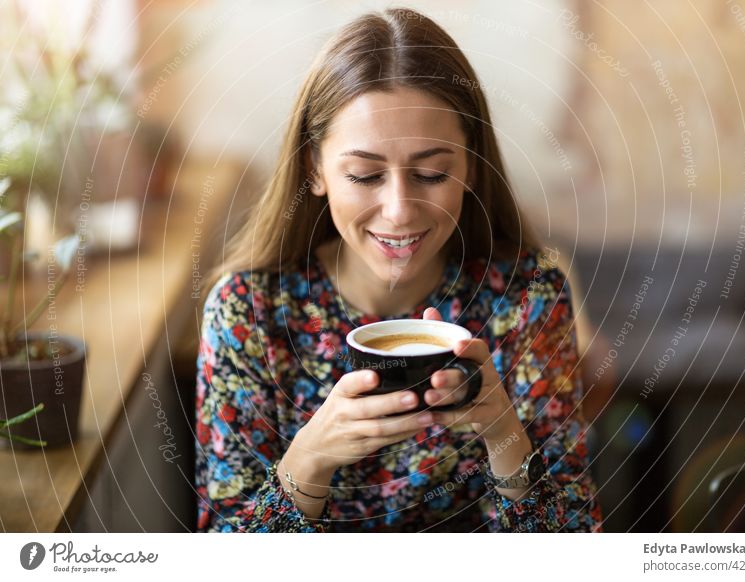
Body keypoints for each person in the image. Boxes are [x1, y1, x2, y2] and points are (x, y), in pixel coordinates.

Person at [195, 7, 603, 532]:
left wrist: (503, 433)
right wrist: (311, 460)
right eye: (364, 175)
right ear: (313, 169)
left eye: (431, 173)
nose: (399, 210)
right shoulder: (245, 314)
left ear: (471, 167)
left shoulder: (530, 300)